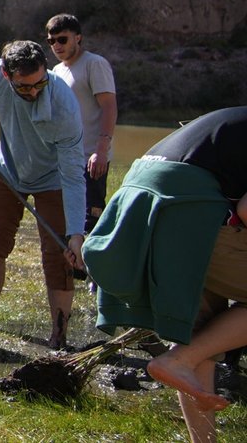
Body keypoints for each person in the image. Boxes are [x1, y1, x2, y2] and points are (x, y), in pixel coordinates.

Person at [83, 107, 247, 443]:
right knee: (188, 351)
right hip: (187, 210)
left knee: (201, 338)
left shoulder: (234, 120)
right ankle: (178, 359)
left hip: (144, 210)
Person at [0, 39, 86, 350]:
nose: (34, 92)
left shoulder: (64, 106)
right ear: (7, 76)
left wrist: (76, 234)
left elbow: (74, 176)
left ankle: (58, 338)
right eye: (24, 87)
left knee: (58, 254)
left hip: (54, 179)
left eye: (39, 84)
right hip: (7, 169)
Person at [45, 13, 118, 228]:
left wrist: (101, 151)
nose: (56, 45)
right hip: (65, 160)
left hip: (90, 161)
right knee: (64, 223)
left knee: (89, 224)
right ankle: (66, 263)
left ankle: (86, 263)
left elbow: (109, 107)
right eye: (51, 41)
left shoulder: (94, 64)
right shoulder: (57, 71)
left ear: (78, 37)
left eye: (62, 39)